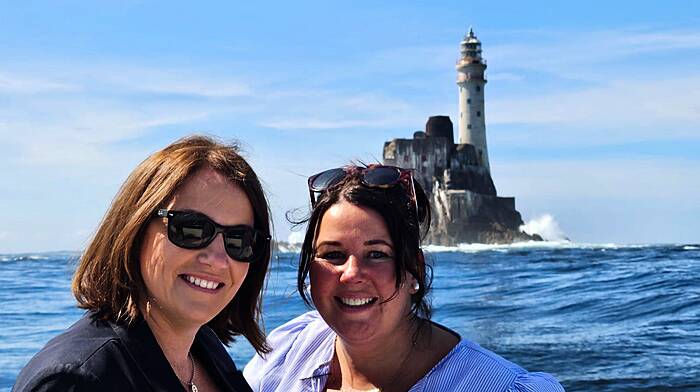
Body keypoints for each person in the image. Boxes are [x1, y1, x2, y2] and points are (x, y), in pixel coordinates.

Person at [244, 164, 564, 392]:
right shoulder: (287, 352)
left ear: (415, 271)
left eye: (377, 254)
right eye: (332, 254)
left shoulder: (500, 387)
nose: (352, 273)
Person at [14, 135, 272, 392]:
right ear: (134, 230)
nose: (217, 259)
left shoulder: (204, 349)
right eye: (191, 228)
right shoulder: (77, 381)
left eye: (239, 240)